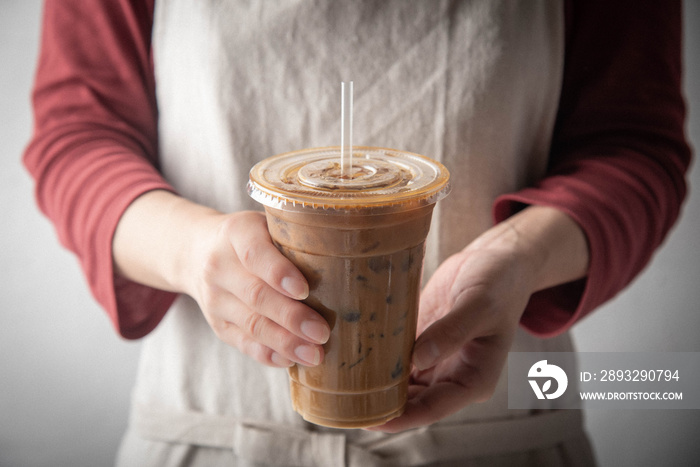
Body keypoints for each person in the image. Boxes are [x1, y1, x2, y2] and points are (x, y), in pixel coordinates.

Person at [24, 0, 690, 465]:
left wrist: (517, 257)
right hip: (209, 433)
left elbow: (632, 146)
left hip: (498, 437)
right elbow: (77, 134)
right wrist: (193, 250)